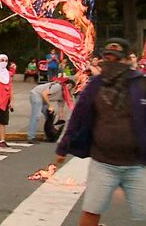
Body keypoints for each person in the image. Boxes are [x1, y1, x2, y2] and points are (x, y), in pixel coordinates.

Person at [56, 38, 146, 226]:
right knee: (91, 211)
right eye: (108, 59)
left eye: (116, 59)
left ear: (127, 60)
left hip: (138, 165)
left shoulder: (141, 85)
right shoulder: (95, 85)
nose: (111, 64)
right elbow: (78, 117)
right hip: (103, 163)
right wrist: (63, 148)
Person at [27, 79, 74, 144]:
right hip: (37, 94)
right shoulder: (57, 86)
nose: (69, 87)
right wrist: (50, 105)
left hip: (43, 99)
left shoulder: (64, 95)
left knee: (50, 115)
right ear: (65, 84)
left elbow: (61, 108)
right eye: (68, 85)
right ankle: (31, 137)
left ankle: (49, 135)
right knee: (36, 116)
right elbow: (44, 93)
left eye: (71, 87)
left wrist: (60, 119)